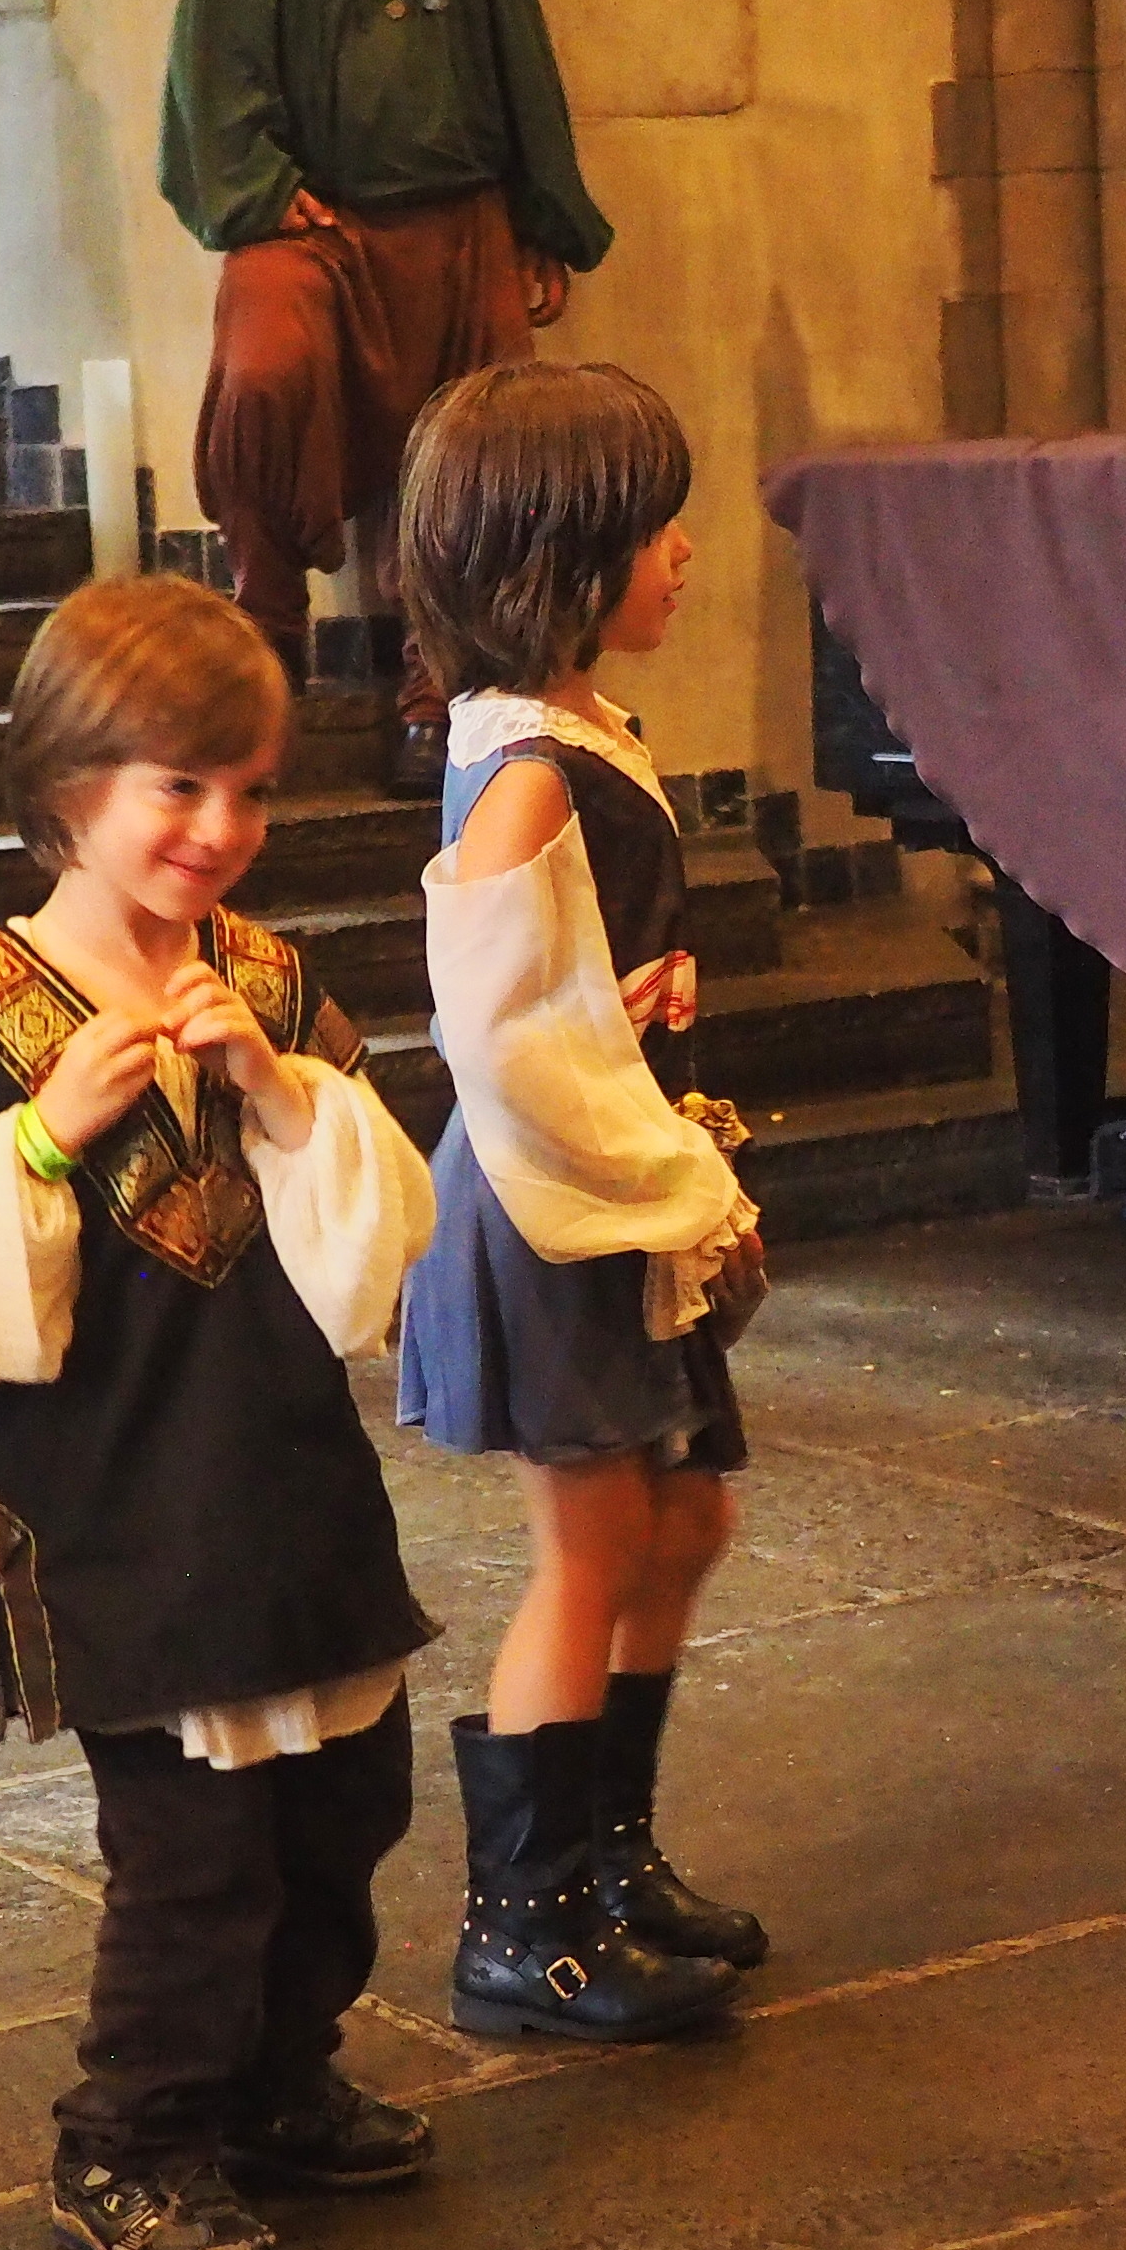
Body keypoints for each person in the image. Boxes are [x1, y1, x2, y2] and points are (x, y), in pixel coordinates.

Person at [0, 574, 440, 2250]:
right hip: (116, 1496)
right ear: (67, 782)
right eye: (180, 785)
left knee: (346, 1804)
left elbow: (381, 1245)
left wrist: (286, 1098)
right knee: (193, 1853)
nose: (221, 828)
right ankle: (133, 2140)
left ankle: (276, 2079)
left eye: (252, 790)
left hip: (285, 1474)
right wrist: (36, 1143)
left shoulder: (269, 983)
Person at [391, 361, 764, 2039]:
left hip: (617, 1191)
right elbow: (499, 1037)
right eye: (654, 527)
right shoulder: (527, 767)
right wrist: (674, 1175)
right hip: (560, 1207)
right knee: (595, 1544)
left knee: (682, 1525)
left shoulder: (575, 728)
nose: (684, 551)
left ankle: (612, 1857)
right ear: (560, 556)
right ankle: (522, 1924)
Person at [160, 0, 611, 786]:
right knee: (262, 377)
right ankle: (266, 652)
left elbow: (521, 63)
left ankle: (434, 694)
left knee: (487, 448)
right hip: (308, 228)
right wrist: (263, 189)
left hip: (459, 226)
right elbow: (213, 57)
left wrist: (539, 217)